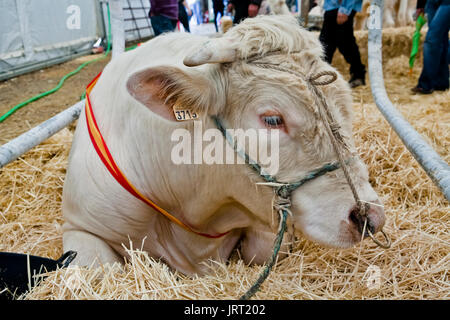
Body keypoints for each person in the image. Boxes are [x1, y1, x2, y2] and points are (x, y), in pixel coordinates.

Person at [319, 0, 366, 88]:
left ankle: (321, 76)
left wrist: (344, 9)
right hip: (336, 6)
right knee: (344, 43)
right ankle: (358, 74)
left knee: (327, 43)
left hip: (339, 7)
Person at [411, 0, 449, 94]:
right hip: (431, 2)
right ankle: (440, 82)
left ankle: (425, 84)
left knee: (432, 39)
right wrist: (421, 4)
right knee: (441, 39)